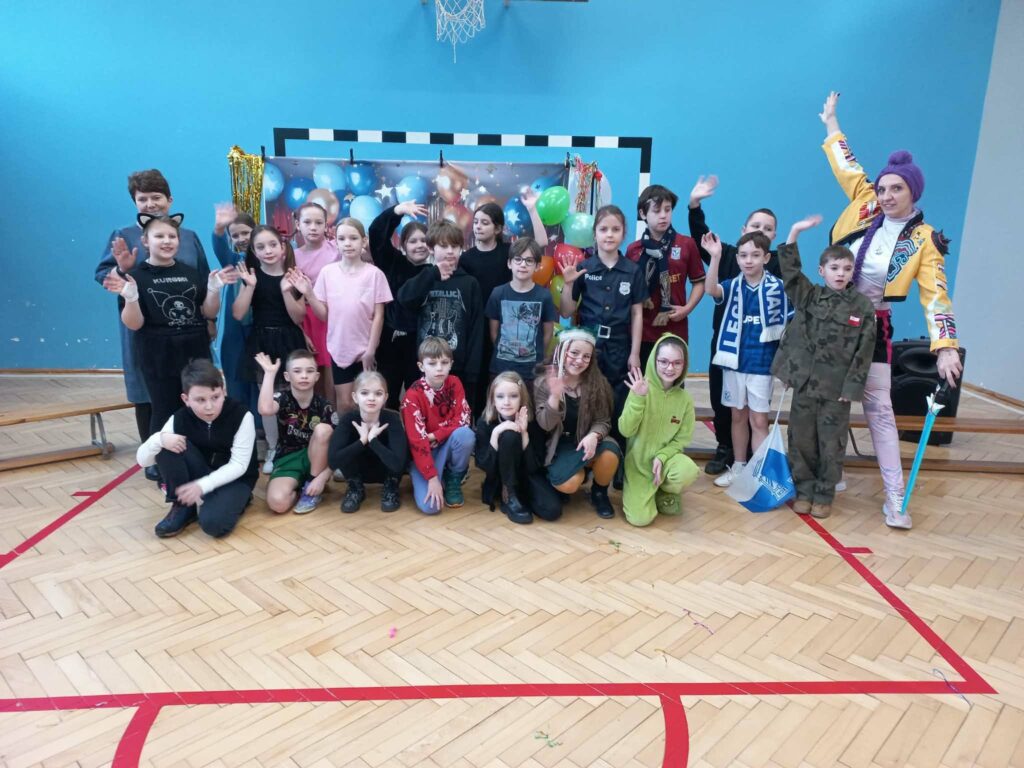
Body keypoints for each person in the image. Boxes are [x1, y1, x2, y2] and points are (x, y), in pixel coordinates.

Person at [819, 91, 962, 529]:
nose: (885, 195)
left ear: (913, 191)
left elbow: (936, 295)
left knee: (879, 410)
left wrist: (945, 346)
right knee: (827, 401)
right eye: (882, 188)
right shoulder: (866, 202)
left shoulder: (924, 240)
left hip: (872, 328)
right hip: (832, 320)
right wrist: (831, 122)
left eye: (896, 188)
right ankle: (828, 473)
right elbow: (846, 164)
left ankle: (895, 497)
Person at [95, 169, 210, 481]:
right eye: (142, 199)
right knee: (150, 392)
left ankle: (194, 448)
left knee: (193, 388)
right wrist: (123, 271)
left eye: (156, 197)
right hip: (146, 330)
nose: (150, 204)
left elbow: (202, 279)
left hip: (188, 330)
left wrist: (209, 320)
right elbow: (104, 275)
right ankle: (153, 455)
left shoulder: (189, 236)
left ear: (169, 200)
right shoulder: (123, 235)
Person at [772, 216, 876, 519]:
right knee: (801, 440)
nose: (840, 273)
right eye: (834, 268)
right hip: (805, 384)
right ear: (822, 271)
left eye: (846, 269)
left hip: (836, 389)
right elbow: (790, 272)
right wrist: (795, 231)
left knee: (831, 444)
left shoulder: (862, 306)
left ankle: (824, 494)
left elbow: (864, 351)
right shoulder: (810, 295)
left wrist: (852, 388)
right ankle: (804, 490)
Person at [688, 175, 782, 476]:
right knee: (723, 401)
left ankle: (756, 459)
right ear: (743, 230)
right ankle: (726, 448)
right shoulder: (728, 255)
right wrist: (694, 204)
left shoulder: (776, 263)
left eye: (767, 228)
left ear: (773, 238)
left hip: (759, 354)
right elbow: (701, 237)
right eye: (755, 226)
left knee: (756, 412)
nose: (760, 231)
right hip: (727, 349)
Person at [114, 213, 235, 440]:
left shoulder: (190, 273)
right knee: (164, 409)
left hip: (196, 349)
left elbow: (208, 312)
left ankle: (201, 452)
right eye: (159, 236)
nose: (167, 241)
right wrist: (131, 298)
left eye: (172, 236)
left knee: (201, 405)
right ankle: (162, 455)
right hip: (158, 353)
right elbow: (134, 323)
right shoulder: (135, 277)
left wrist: (213, 289)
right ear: (145, 241)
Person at [702, 230, 792, 489]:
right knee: (738, 417)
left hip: (762, 365)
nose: (748, 260)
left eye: (755, 255)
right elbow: (710, 289)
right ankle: (739, 467)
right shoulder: (732, 285)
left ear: (766, 258)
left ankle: (759, 472)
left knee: (759, 420)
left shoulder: (778, 288)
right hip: (734, 363)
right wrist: (715, 257)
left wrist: (787, 367)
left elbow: (789, 328)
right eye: (743, 255)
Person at [136, 359, 257, 538]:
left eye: (215, 397)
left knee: (214, 524)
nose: (209, 406)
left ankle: (237, 498)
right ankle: (183, 506)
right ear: (186, 399)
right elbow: (142, 461)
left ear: (224, 391)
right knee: (166, 445)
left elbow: (239, 465)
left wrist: (202, 486)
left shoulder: (241, 415)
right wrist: (159, 439)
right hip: (200, 473)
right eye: (200, 400)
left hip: (235, 479)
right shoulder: (179, 418)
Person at [289, 217, 392, 414]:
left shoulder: (374, 274)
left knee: (370, 401)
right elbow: (324, 315)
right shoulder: (328, 273)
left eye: (353, 238)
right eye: (342, 239)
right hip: (340, 349)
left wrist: (370, 350)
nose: (348, 243)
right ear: (335, 242)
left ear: (363, 241)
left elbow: (379, 316)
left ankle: (371, 433)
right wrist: (309, 293)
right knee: (345, 404)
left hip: (367, 349)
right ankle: (348, 434)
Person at [461, 193, 549, 415]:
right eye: (476, 222)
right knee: (482, 385)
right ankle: (484, 427)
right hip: (477, 327)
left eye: (485, 222)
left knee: (510, 388)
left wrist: (532, 209)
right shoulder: (466, 258)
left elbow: (540, 244)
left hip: (506, 326)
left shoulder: (507, 253)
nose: (478, 226)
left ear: (498, 228)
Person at [233, 226, 308, 472]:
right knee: (268, 398)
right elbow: (238, 313)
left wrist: (286, 291)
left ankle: (295, 445)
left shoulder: (294, 276)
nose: (268, 251)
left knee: (294, 397)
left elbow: (298, 317)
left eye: (273, 244)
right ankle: (274, 448)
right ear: (254, 252)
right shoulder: (251, 277)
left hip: (290, 341)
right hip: (262, 342)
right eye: (261, 247)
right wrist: (249, 287)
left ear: (283, 247)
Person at [557, 205, 647, 397]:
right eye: (603, 229)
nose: (609, 235)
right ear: (595, 233)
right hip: (588, 346)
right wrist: (568, 284)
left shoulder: (633, 271)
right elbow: (566, 311)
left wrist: (635, 353)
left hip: (620, 347)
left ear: (623, 233)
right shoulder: (583, 268)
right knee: (588, 397)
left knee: (617, 399)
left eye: (616, 229)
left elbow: (637, 313)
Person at [534, 328, 622, 519]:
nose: (579, 360)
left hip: (587, 442)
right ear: (561, 351)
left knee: (610, 452)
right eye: (574, 353)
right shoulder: (543, 383)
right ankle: (577, 472)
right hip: (560, 447)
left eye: (586, 356)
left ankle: (599, 493)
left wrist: (594, 435)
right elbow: (545, 425)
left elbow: (603, 421)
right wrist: (555, 396)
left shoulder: (598, 383)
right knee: (569, 483)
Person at [397, 220, 484, 409]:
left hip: (459, 368)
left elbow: (476, 330)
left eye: (455, 246)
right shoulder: (424, 277)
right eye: (444, 246)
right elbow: (403, 299)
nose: (450, 251)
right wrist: (433, 274)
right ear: (431, 248)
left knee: (458, 419)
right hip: (425, 367)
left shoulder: (470, 283)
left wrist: (472, 373)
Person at [618, 334, 700, 526]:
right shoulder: (640, 389)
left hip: (666, 461)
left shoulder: (685, 399)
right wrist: (638, 399)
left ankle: (665, 490)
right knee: (640, 519)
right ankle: (649, 492)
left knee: (687, 470)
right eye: (664, 361)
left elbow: (682, 439)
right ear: (654, 361)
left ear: (684, 365)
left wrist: (663, 457)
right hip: (639, 466)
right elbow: (625, 430)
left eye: (677, 363)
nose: (670, 368)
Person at [625, 185, 706, 369]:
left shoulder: (686, 244)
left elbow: (699, 282)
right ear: (643, 213)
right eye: (657, 210)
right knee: (640, 383)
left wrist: (687, 309)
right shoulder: (634, 250)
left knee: (672, 382)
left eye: (667, 210)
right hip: (641, 332)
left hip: (674, 330)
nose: (663, 216)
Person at [475, 372, 562, 525]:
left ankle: (521, 496)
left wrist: (524, 434)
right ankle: (508, 495)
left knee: (552, 510)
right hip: (501, 479)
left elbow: (534, 467)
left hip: (526, 476)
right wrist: (496, 433)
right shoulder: (485, 423)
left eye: (513, 396)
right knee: (509, 435)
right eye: (500, 396)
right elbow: (486, 466)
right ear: (493, 400)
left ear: (522, 398)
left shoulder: (533, 422)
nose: (506, 402)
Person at [400, 336, 475, 514]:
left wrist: (436, 435)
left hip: (444, 443)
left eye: (444, 362)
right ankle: (425, 475)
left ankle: (453, 477)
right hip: (424, 451)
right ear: (421, 366)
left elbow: (463, 418)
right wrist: (432, 479)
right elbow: (417, 441)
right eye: (432, 363)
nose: (439, 368)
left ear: (451, 364)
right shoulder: (412, 396)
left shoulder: (455, 383)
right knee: (431, 507)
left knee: (466, 435)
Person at [368, 201, 431, 408]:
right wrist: (397, 211)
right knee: (387, 397)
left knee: (418, 400)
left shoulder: (435, 272)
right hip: (391, 342)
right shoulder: (392, 263)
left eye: (424, 241)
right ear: (403, 246)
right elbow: (376, 234)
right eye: (413, 241)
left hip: (420, 344)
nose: (419, 245)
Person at [256, 351, 334, 514]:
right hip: (288, 458)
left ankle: (311, 486)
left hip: (316, 459)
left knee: (323, 430)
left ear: (317, 376)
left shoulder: (324, 405)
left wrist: (323, 476)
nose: (304, 376)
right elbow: (265, 409)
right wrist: (269, 374)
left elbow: (337, 446)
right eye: (297, 371)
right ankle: (299, 487)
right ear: (287, 376)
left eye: (309, 371)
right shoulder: (283, 398)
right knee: (277, 503)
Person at [484, 237, 557, 394]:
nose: (523, 264)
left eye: (529, 261)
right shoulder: (498, 293)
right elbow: (494, 333)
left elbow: (548, 334)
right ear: (509, 263)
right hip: (501, 368)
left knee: (530, 408)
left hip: (532, 371)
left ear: (537, 266)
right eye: (518, 259)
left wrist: (537, 355)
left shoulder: (544, 296)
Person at [329, 371, 407, 513]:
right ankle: (355, 488)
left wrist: (373, 440)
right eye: (364, 393)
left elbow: (398, 464)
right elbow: (333, 462)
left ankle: (391, 486)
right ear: (355, 397)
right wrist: (362, 441)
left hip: (387, 470)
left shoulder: (392, 419)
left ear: (385, 398)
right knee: (345, 447)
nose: (371, 398)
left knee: (400, 450)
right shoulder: (348, 420)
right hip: (359, 471)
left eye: (378, 394)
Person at [292, 202, 339, 404]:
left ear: (326, 226)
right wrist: (301, 331)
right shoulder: (292, 257)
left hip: (332, 317)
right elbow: (291, 297)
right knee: (311, 371)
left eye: (319, 223)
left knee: (332, 374)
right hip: (306, 319)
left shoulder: (337, 249)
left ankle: (334, 415)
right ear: (298, 225)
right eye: (307, 222)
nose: (313, 227)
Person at [210, 204, 256, 406]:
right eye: (235, 235)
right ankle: (239, 418)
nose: (241, 238)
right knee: (235, 380)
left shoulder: (266, 260)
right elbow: (219, 246)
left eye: (245, 233)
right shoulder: (233, 261)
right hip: (234, 332)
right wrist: (219, 228)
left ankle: (259, 420)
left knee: (257, 382)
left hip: (257, 330)